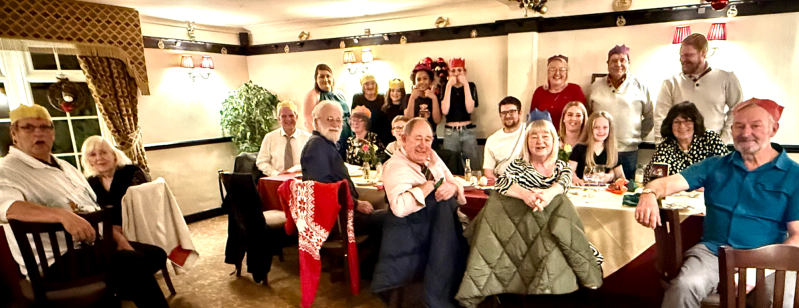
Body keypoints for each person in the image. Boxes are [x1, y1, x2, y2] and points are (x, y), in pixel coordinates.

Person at [635, 98, 798, 308]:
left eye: (755, 126)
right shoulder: (715, 166)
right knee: (684, 287)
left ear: (773, 129)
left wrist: (759, 272)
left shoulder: (794, 175)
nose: (746, 132)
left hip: (768, 259)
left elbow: (797, 237)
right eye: (739, 126)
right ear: (732, 130)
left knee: (782, 301)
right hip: (713, 253)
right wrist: (648, 193)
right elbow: (665, 184)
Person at [0, 104, 168, 308]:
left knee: (155, 254)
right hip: (55, 260)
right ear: (14, 133)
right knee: (131, 263)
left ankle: (112, 293)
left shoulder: (66, 166)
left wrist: (119, 239)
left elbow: (92, 208)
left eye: (45, 127)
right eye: (28, 127)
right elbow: (10, 208)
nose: (39, 133)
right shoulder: (6, 170)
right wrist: (63, 216)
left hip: (92, 247)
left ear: (53, 133)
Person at [456, 120, 603, 307]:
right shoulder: (518, 165)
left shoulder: (561, 167)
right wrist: (525, 196)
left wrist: (547, 195)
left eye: (545, 136)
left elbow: (563, 185)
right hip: (519, 234)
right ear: (527, 142)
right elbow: (502, 184)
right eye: (534, 136)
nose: (539, 141)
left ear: (554, 141)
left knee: (560, 206)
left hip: (546, 232)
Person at [372, 117, 467, 308]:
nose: (424, 145)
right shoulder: (394, 166)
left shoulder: (431, 157)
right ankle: (439, 298)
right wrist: (428, 187)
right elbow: (398, 207)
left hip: (435, 232)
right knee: (447, 213)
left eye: (428, 139)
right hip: (409, 236)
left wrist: (451, 187)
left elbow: (454, 180)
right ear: (404, 139)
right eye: (418, 139)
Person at [300, 100, 388, 269]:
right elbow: (324, 190)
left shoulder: (325, 144)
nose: (335, 124)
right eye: (329, 119)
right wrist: (356, 203)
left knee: (384, 211)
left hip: (343, 212)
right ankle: (370, 267)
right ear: (316, 121)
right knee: (390, 218)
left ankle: (366, 265)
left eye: (338, 120)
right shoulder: (317, 147)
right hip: (338, 220)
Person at [656, 33, 743, 144]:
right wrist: (662, 147)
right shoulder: (671, 83)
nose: (683, 59)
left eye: (688, 55)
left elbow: (737, 110)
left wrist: (723, 140)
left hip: (714, 150)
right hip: (680, 151)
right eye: (681, 55)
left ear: (703, 53)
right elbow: (661, 118)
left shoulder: (726, 78)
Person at [587, 44, 654, 179]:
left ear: (629, 63)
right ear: (607, 64)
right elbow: (589, 115)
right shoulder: (595, 87)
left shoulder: (641, 85)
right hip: (601, 151)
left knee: (626, 190)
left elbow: (650, 116)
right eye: (614, 60)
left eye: (622, 60)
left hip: (628, 152)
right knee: (598, 189)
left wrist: (636, 136)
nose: (618, 64)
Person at [643, 101, 728, 184]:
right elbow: (650, 180)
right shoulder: (665, 147)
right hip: (676, 196)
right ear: (670, 125)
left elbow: (727, 169)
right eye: (677, 122)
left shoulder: (710, 139)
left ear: (695, 123)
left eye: (687, 121)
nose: (682, 126)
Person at [81, 135, 150, 227]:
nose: (99, 158)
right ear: (89, 161)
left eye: (103, 152)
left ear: (114, 155)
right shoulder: (90, 182)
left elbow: (147, 206)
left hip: (140, 228)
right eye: (92, 155)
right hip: (109, 233)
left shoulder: (132, 172)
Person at [441, 58, 479, 171]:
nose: (456, 74)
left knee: (473, 164)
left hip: (467, 130)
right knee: (450, 165)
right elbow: (445, 110)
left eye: (459, 70)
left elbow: (469, 109)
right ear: (448, 72)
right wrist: (448, 86)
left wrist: (465, 85)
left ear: (464, 72)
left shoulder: (471, 86)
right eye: (453, 71)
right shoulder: (444, 86)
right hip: (450, 132)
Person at [530, 54, 586, 131]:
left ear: (567, 73)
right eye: (552, 69)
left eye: (562, 69)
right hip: (544, 136)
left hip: (569, 137)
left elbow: (583, 118)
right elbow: (532, 120)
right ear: (547, 73)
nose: (557, 73)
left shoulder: (575, 90)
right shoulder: (539, 92)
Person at [303, 64, 351, 151]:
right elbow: (309, 122)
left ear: (332, 78)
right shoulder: (313, 95)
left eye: (328, 76)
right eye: (321, 76)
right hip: (327, 142)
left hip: (347, 138)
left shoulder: (340, 94)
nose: (325, 79)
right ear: (316, 79)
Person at [256, 101, 311, 176]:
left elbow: (313, 162)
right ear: (279, 119)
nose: (288, 119)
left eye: (291, 115)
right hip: (276, 180)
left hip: (301, 180)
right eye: (284, 116)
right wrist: (276, 174)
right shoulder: (270, 138)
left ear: (296, 117)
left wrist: (295, 170)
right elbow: (262, 162)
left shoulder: (308, 138)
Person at [569, 111, 625, 185]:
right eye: (596, 127)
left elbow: (621, 177)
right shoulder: (579, 148)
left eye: (605, 127)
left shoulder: (612, 151)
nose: (601, 131)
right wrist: (576, 179)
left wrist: (610, 177)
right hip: (584, 190)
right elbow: (570, 170)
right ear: (590, 129)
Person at [483, 96, 525, 181]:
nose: (508, 115)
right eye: (504, 113)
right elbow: (488, 171)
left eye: (512, 112)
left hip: (526, 180)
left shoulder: (530, 131)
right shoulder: (492, 140)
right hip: (501, 182)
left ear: (520, 113)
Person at [352, 73, 392, 145]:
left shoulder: (382, 98)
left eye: (372, 83)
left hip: (383, 136)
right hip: (364, 136)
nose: (370, 86)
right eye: (366, 84)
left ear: (376, 85)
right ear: (362, 86)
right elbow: (354, 118)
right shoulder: (358, 98)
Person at [404, 63, 441, 131]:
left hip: (431, 135)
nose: (422, 82)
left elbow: (437, 120)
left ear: (430, 81)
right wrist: (412, 98)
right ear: (414, 82)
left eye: (425, 78)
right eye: (418, 79)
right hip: (414, 135)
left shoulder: (436, 97)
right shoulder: (408, 97)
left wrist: (434, 98)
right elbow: (408, 119)